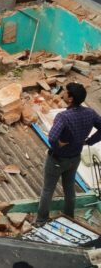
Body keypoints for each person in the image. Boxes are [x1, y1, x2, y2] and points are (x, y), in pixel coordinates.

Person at [36, 83, 101, 224]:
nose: (63, 94)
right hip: (75, 158)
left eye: (65, 92)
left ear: (71, 99)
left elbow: (52, 137)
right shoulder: (90, 113)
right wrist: (89, 141)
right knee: (69, 188)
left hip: (57, 159)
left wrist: (57, 145)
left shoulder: (63, 117)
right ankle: (69, 216)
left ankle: (41, 220)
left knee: (48, 190)